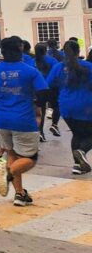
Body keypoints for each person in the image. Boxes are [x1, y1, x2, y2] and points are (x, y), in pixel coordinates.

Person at [0, 36, 51, 206]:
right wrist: (33, 102)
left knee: (12, 153)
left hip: (1, 120)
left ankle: (19, 194)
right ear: (20, 50)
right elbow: (43, 95)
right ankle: (7, 173)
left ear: (2, 52)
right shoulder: (30, 71)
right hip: (23, 120)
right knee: (30, 158)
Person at [46, 40, 92, 174]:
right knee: (88, 135)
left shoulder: (58, 67)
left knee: (76, 134)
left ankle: (78, 165)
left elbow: (48, 84)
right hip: (85, 105)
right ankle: (82, 151)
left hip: (65, 106)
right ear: (79, 51)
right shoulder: (88, 66)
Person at [34, 42, 60, 141]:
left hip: (38, 89)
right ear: (45, 50)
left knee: (41, 112)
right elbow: (57, 73)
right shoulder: (52, 60)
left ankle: (40, 132)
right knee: (56, 107)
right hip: (52, 88)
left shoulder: (33, 62)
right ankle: (54, 124)